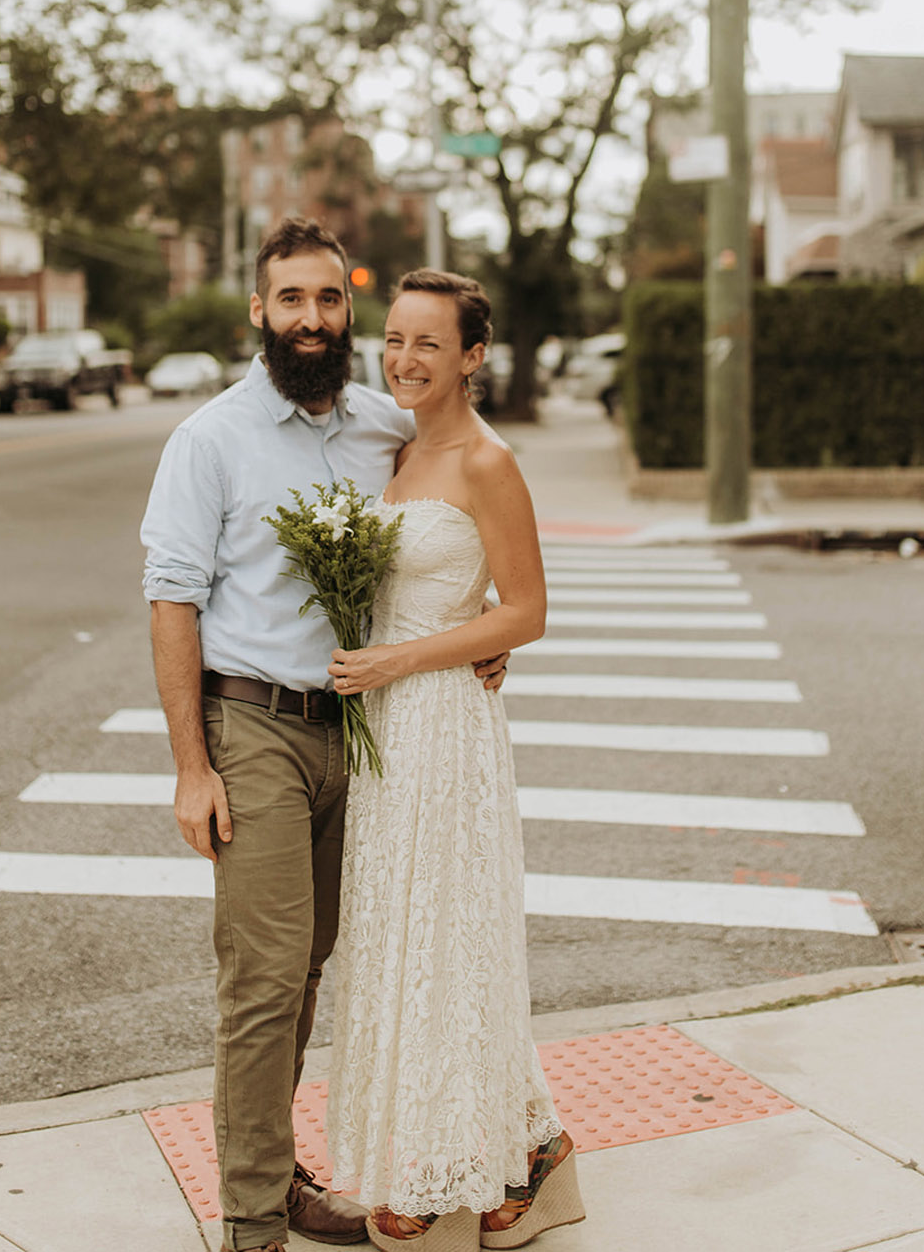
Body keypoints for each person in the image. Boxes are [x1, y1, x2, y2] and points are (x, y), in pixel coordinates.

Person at [140, 218, 511, 1252]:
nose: (312, 318)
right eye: (290, 299)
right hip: (252, 723)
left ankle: (282, 1172)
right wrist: (190, 768)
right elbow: (171, 599)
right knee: (262, 980)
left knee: (310, 967)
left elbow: (460, 514)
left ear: (348, 308)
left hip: (362, 732)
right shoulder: (208, 439)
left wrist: (489, 630)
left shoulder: (381, 423)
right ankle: (254, 1221)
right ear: (258, 311)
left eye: (329, 299)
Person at [325, 270, 584, 1252]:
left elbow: (526, 607)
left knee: (449, 939)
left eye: (429, 342)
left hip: (445, 726)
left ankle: (457, 1172)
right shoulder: (393, 445)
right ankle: (528, 1147)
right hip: (391, 729)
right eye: (394, 338)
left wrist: (401, 653)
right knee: (410, 939)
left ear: (473, 355)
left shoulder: (486, 458)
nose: (404, 357)